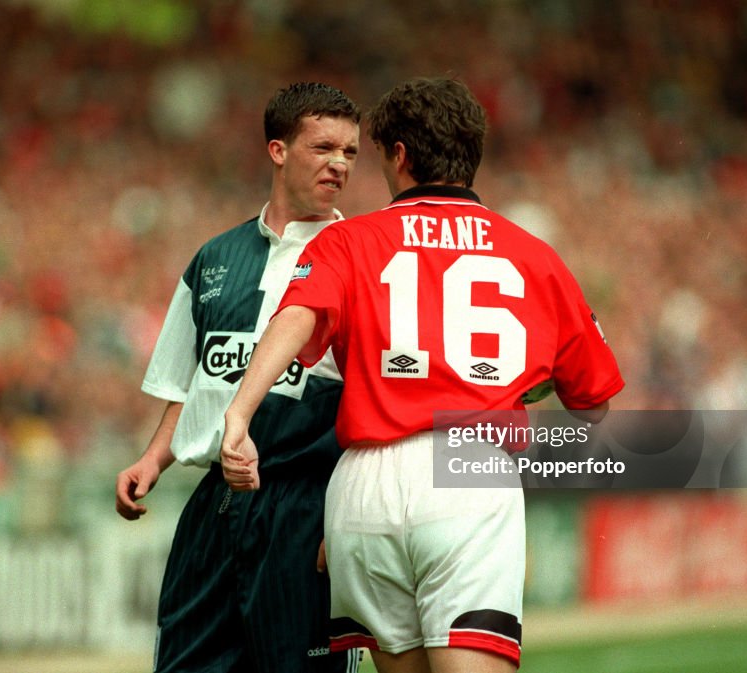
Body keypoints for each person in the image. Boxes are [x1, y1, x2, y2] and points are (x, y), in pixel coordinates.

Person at [221, 77, 624, 673]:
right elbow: (592, 404)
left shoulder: (346, 240)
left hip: (361, 487)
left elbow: (298, 314)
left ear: (400, 155)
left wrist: (239, 414)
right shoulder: (535, 256)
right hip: (469, 468)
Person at [115, 82, 364, 673]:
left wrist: (348, 517)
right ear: (278, 150)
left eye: (351, 152)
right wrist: (153, 460)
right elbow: (192, 380)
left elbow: (376, 394)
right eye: (323, 147)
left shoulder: (361, 259)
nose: (339, 164)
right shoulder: (213, 259)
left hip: (307, 506)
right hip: (216, 510)